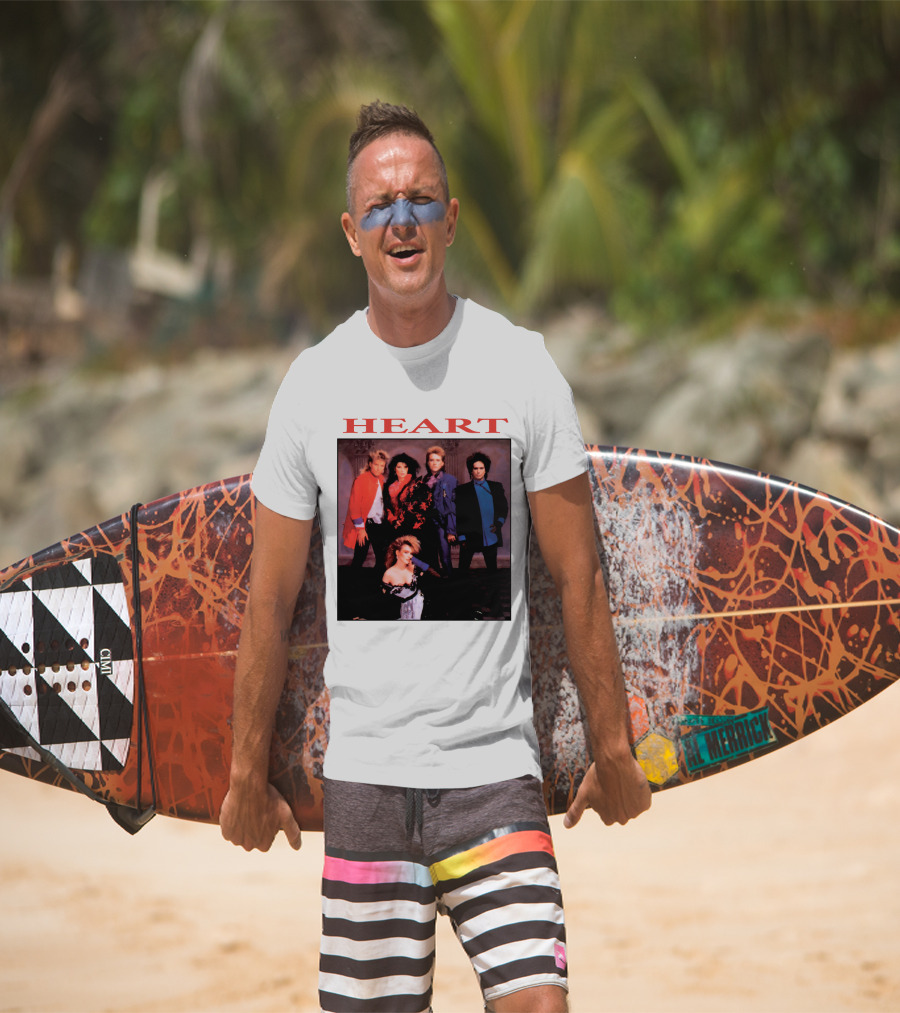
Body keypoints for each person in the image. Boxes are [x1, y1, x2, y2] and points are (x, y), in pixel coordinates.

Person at [220, 100, 651, 1013]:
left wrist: (612, 745)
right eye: (380, 206)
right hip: (367, 781)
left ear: (450, 219)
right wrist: (244, 772)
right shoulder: (314, 386)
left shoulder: (521, 367)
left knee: (540, 1003)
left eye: (420, 200)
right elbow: (269, 599)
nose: (402, 220)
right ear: (351, 233)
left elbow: (578, 574)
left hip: (495, 775)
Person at [455, 450, 509, 572]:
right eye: (475, 468)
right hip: (469, 537)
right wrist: (462, 537)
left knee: (492, 572)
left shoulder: (496, 487)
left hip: (491, 536)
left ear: (486, 470)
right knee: (462, 573)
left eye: (481, 468)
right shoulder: (462, 490)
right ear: (471, 470)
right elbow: (459, 515)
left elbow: (503, 508)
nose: (478, 471)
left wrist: (498, 524)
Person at [341, 448, 389, 568]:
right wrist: (361, 529)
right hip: (364, 525)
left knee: (382, 559)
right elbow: (354, 506)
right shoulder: (361, 480)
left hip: (379, 525)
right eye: (376, 465)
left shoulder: (382, 481)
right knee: (359, 557)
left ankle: (378, 580)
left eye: (382, 466)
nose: (378, 468)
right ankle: (353, 580)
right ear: (370, 464)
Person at [423, 444, 457, 573]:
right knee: (430, 554)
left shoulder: (450, 480)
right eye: (431, 460)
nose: (434, 463)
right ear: (428, 462)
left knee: (444, 554)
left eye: (437, 460)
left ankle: (449, 579)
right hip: (427, 523)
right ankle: (435, 579)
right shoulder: (424, 480)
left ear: (442, 463)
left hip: (442, 523)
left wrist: (451, 530)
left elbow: (452, 506)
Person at [384, 451, 432, 538]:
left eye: (405, 467)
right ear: (394, 469)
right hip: (394, 525)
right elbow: (387, 507)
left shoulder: (415, 485)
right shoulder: (389, 486)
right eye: (399, 467)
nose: (402, 470)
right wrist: (393, 520)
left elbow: (421, 507)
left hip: (411, 526)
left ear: (408, 468)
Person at [381, 534, 427, 619]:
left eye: (411, 553)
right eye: (406, 552)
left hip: (419, 605)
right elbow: (383, 600)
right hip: (400, 611)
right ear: (397, 552)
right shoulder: (389, 574)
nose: (409, 556)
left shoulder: (414, 568)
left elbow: (428, 569)